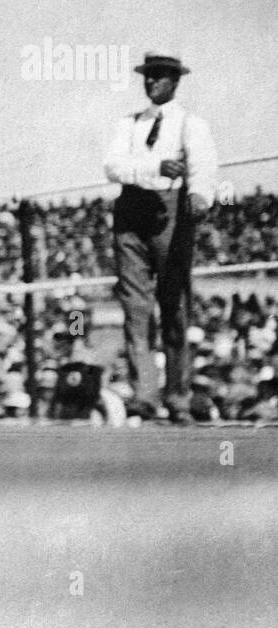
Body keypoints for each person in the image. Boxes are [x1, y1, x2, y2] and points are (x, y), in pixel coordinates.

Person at [103, 53, 217, 421]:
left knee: (175, 307)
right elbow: (113, 166)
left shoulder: (190, 124)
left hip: (171, 212)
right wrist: (154, 166)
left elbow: (203, 166)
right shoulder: (129, 124)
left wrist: (200, 195)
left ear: (175, 80)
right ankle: (145, 396)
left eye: (159, 77)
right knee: (136, 309)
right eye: (148, 76)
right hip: (131, 212)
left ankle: (178, 397)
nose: (151, 83)